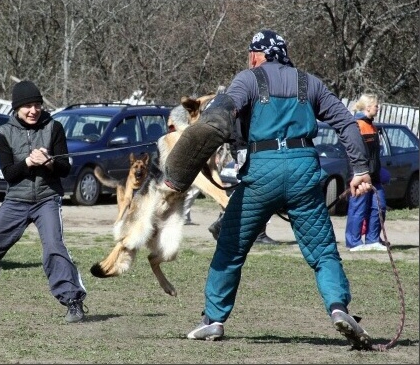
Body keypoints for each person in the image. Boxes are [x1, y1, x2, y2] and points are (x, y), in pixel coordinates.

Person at [163, 29, 374, 349]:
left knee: (231, 247)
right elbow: (346, 123)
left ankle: (213, 320)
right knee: (322, 251)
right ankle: (338, 308)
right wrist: (360, 170)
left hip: (264, 170)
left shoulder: (248, 79)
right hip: (304, 170)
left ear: (256, 55)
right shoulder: (310, 83)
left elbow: (218, 118)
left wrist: (181, 169)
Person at [0, 80, 87, 323]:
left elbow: (65, 169)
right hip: (16, 200)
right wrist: (28, 162)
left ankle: (73, 302)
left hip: (47, 198)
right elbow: (9, 174)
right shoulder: (4, 133)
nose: (33, 110)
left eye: (37, 105)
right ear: (17, 108)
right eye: (27, 106)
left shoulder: (54, 128)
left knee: (54, 249)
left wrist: (48, 163)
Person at [345, 95, 388, 252]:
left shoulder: (372, 126)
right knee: (358, 208)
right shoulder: (357, 125)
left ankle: (372, 239)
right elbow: (354, 152)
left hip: (375, 177)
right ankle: (353, 242)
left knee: (379, 206)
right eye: (376, 105)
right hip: (361, 175)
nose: (378, 108)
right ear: (368, 107)